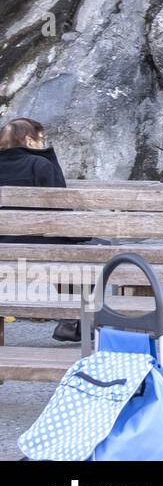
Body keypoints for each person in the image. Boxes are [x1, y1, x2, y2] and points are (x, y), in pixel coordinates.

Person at [0, 118, 80, 343]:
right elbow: (62, 209)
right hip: (39, 244)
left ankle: (72, 320)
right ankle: (71, 319)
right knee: (87, 251)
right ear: (28, 140)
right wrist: (48, 157)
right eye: (40, 140)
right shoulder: (40, 165)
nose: (43, 144)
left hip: (2, 244)